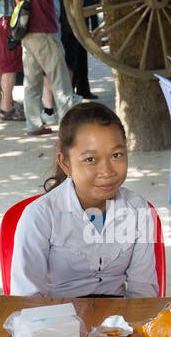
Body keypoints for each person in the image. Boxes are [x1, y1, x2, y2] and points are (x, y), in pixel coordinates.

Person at [9, 103, 160, 297]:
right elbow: (26, 298)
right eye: (90, 159)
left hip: (119, 323)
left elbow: (143, 291)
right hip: (54, 320)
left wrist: (121, 327)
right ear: (65, 163)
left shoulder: (139, 210)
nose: (107, 172)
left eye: (116, 155)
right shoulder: (40, 216)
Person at [14, 0, 80, 137]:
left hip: (26, 33)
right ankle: (68, 124)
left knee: (31, 82)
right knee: (60, 79)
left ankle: (33, 124)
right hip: (44, 31)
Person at [52, 0, 96, 100]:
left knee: (70, 55)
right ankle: (73, 91)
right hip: (73, 14)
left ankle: (79, 89)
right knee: (74, 55)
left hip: (62, 16)